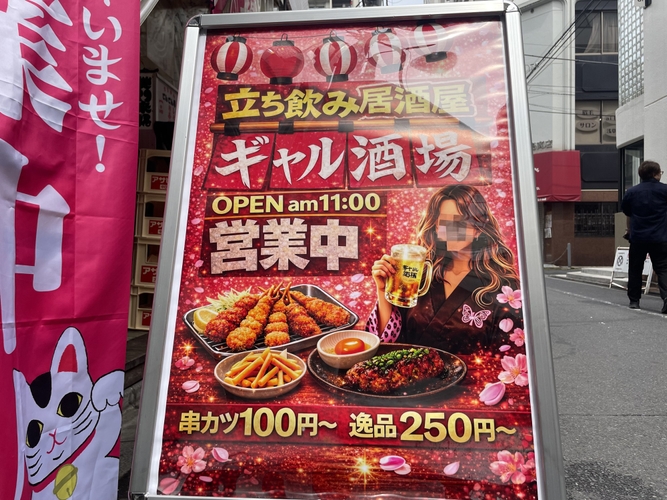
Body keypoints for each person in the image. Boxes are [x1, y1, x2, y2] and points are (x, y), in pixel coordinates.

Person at [367, 185, 522, 354]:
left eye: (460, 221)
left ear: (478, 229)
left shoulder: (504, 288)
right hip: (409, 370)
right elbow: (388, 342)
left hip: (469, 372)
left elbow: (508, 355)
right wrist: (383, 290)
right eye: (444, 222)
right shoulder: (421, 274)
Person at [621, 160, 667, 312]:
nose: (661, 175)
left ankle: (634, 300)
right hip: (660, 236)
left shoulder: (631, 192)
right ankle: (666, 298)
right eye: (660, 172)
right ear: (655, 174)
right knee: (663, 269)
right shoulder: (665, 190)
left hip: (638, 237)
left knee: (635, 269)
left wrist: (628, 229)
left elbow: (627, 212)